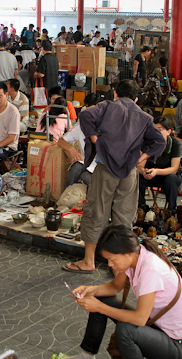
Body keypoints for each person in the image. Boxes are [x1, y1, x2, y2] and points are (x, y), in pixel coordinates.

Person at [63, 80, 164, 274]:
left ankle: (89, 261)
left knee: (96, 212)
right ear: (136, 98)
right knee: (124, 216)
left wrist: (95, 139)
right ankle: (121, 266)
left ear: (115, 94)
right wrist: (142, 158)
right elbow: (159, 140)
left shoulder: (107, 106)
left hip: (106, 168)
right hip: (130, 172)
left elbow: (85, 115)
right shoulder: (144, 116)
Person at [66, 225, 182, 359]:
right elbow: (114, 287)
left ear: (127, 253)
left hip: (177, 343)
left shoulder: (150, 269)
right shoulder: (136, 256)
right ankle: (86, 356)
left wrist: (99, 307)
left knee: (125, 331)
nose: (110, 264)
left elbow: (140, 319)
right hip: (157, 326)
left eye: (112, 259)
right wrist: (91, 290)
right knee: (101, 298)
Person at [137, 116, 182, 211]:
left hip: (167, 175)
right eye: (154, 130)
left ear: (169, 131)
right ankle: (141, 208)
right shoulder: (146, 142)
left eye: (160, 130)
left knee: (171, 179)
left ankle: (171, 210)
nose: (156, 133)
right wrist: (144, 172)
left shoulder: (175, 143)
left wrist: (156, 171)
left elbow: (174, 169)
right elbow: (139, 165)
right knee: (136, 176)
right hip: (151, 174)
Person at [57, 93, 99, 187]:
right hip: (86, 165)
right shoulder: (80, 127)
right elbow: (61, 141)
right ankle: (66, 195)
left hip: (102, 168)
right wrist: (71, 149)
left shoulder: (108, 127)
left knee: (86, 176)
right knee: (76, 167)